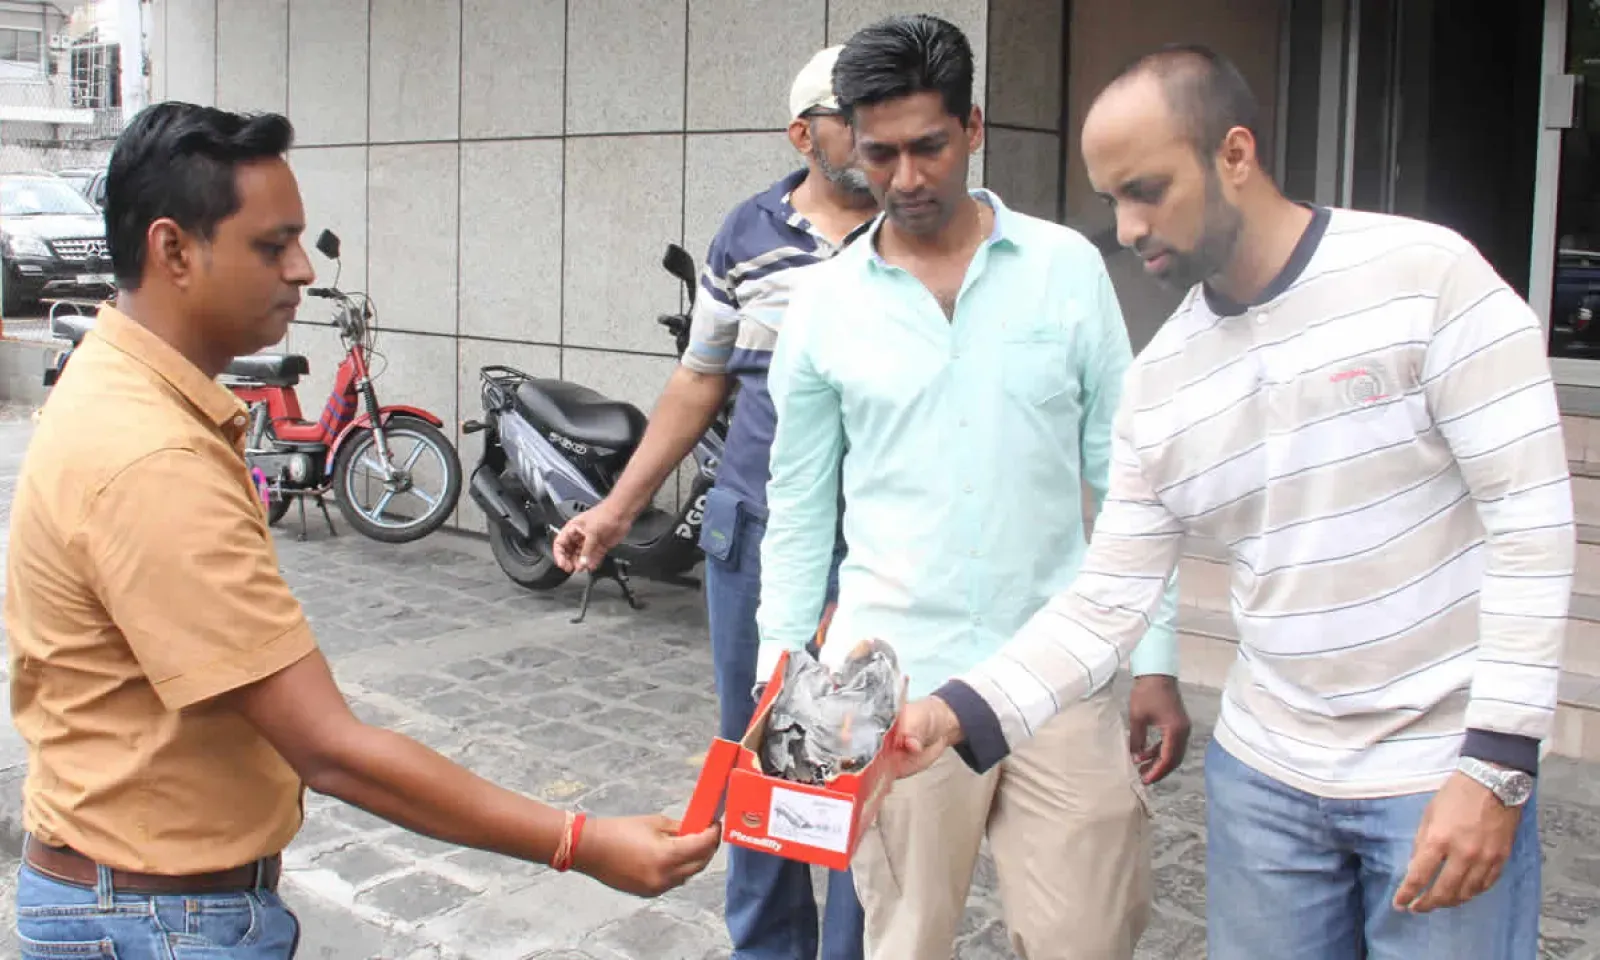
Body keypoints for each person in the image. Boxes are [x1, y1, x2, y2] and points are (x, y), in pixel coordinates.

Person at [892, 44, 1571, 960]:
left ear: (1236, 154)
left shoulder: (1425, 276)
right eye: (1111, 200)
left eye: (1147, 190)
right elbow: (1106, 603)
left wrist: (1497, 764)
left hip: (1437, 768)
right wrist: (953, 712)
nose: (1128, 227)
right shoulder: (1164, 381)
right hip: (1264, 786)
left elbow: (1531, 519)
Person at [5, 101, 719, 959]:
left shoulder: (121, 387)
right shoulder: (150, 456)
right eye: (272, 245)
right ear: (173, 250)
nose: (301, 269)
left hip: (137, 895)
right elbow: (330, 750)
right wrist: (582, 842)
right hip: (156, 919)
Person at [754, 16, 1188, 960]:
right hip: (893, 684)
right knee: (905, 940)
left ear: (974, 127)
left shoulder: (1066, 270)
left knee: (1087, 939)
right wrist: (777, 671)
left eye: (930, 147)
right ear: (850, 145)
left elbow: (1128, 478)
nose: (906, 177)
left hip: (1060, 670)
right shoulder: (824, 303)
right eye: (880, 154)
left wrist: (1154, 654)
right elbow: (801, 504)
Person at [551, 47, 878, 960]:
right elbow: (699, 378)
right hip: (758, 529)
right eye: (851, 114)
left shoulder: (915, 224)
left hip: (882, 542)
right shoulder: (747, 232)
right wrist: (617, 510)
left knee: (866, 756)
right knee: (756, 745)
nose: (873, 132)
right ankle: (768, 948)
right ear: (803, 133)